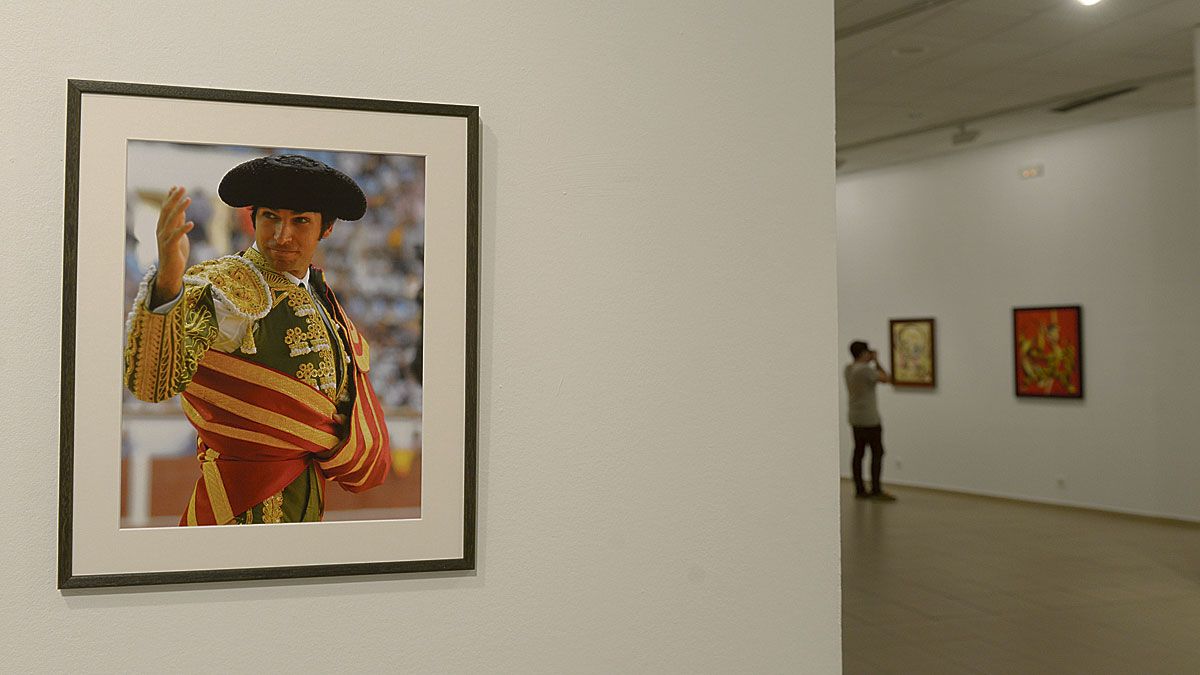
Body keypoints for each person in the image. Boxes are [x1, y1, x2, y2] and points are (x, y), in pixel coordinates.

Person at [123, 154, 392, 526]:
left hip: (307, 500)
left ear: (326, 228)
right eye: (270, 218)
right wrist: (168, 283)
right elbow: (151, 383)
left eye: (300, 221)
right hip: (239, 508)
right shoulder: (226, 285)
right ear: (253, 219)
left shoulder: (323, 297)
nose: (282, 236)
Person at [845, 340, 895, 501]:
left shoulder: (848, 369)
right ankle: (875, 489)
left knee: (858, 453)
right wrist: (877, 361)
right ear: (863, 353)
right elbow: (887, 378)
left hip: (855, 417)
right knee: (877, 453)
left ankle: (859, 489)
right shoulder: (865, 370)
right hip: (869, 419)